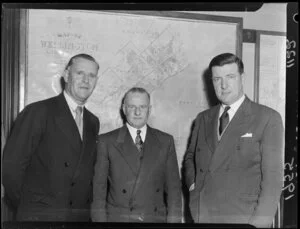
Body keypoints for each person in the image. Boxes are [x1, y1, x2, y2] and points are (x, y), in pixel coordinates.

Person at [183, 53, 284, 228]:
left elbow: (273, 180)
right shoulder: (202, 119)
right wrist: (194, 188)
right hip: (203, 215)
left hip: (243, 218)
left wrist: (257, 225)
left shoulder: (267, 118)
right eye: (217, 79)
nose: (223, 85)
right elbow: (190, 157)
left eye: (230, 77)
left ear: (242, 78)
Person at [2, 53, 100, 221]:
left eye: (91, 75)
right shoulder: (38, 112)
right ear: (67, 75)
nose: (86, 80)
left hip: (77, 218)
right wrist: (30, 208)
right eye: (80, 73)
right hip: (41, 218)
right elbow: (11, 168)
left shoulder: (92, 121)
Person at [91, 87, 182, 223]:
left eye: (142, 107)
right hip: (119, 221)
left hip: (154, 219)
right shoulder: (106, 141)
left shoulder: (165, 141)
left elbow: (174, 191)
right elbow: (98, 193)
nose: (137, 112)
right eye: (132, 106)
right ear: (124, 108)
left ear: (149, 109)